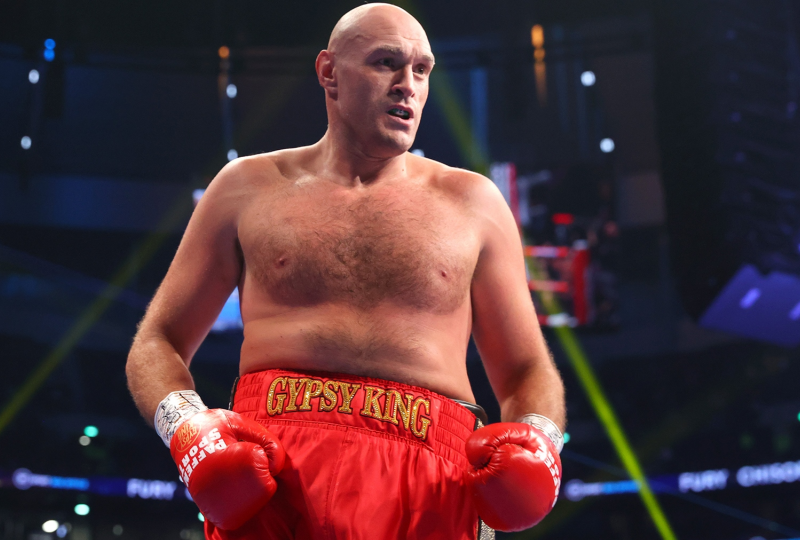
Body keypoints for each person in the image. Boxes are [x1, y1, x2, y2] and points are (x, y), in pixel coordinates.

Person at [126, 3, 565, 539]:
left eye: (421, 70)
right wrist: (190, 431)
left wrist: (540, 444)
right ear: (329, 72)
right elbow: (157, 341)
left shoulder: (473, 202)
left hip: (430, 482)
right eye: (386, 62)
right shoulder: (247, 187)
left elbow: (528, 370)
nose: (408, 85)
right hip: (275, 474)